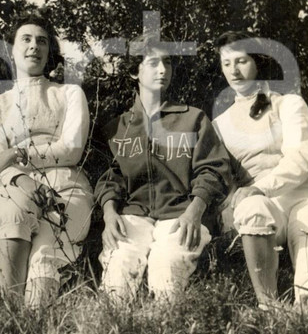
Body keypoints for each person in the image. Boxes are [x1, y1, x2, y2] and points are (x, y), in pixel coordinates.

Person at [94, 33, 231, 303]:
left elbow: (213, 169)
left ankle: (164, 333)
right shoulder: (117, 127)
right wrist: (110, 214)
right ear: (134, 71)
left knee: (166, 268)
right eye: (153, 63)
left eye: (167, 63)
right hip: (133, 216)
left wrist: (195, 211)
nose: (163, 70)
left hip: (181, 214)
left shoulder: (192, 118)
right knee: (119, 270)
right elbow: (110, 178)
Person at [212, 31, 308, 308]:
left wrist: (260, 187)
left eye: (241, 61)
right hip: (258, 202)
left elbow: (300, 159)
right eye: (226, 64)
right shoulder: (220, 125)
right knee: (251, 208)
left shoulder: (288, 104)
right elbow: (224, 178)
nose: (234, 71)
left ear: (257, 61)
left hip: (304, 193)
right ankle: (269, 307)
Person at [0, 13, 92, 309]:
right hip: (14, 185)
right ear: (11, 50)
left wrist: (16, 155)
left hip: (65, 185)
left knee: (46, 250)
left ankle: (35, 322)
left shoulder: (69, 93)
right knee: (11, 214)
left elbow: (71, 150)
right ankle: (12, 311)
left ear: (49, 50)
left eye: (42, 41)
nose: (34, 46)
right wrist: (22, 180)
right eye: (26, 39)